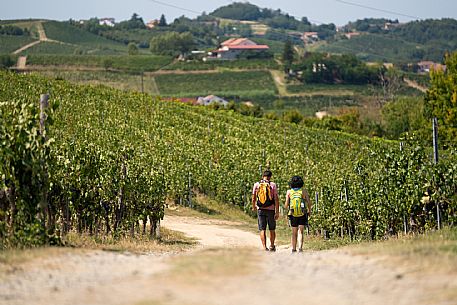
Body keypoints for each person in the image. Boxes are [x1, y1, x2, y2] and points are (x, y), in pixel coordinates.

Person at [252, 170, 279, 251]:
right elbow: (276, 199)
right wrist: (277, 211)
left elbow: (253, 197)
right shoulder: (272, 185)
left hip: (260, 209)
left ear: (263, 176)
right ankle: (272, 245)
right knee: (272, 229)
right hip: (271, 210)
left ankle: (264, 247)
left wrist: (254, 207)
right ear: (270, 176)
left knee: (262, 229)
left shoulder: (257, 185)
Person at [284, 175, 312, 253]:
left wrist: (288, 209)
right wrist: (309, 211)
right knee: (301, 231)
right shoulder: (304, 191)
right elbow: (309, 203)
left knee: (294, 232)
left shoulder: (289, 192)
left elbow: (286, 205)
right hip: (302, 213)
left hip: (292, 213)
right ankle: (300, 248)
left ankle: (293, 248)